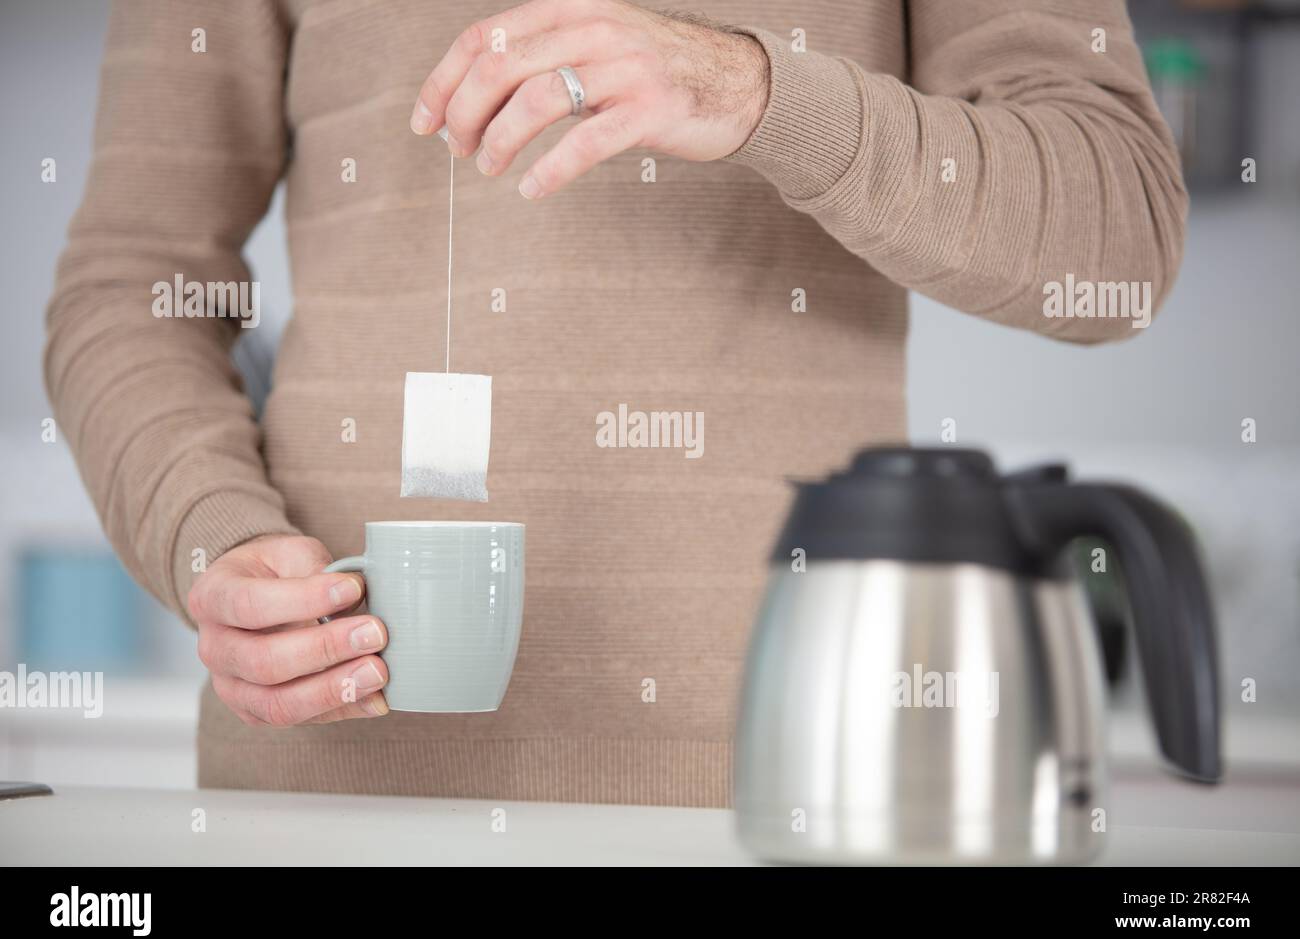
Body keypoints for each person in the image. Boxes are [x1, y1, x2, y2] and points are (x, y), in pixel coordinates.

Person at [45, 0, 1185, 805]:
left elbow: (1119, 237)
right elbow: (130, 281)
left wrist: (754, 88)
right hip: (334, 797)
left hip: (796, 793)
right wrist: (212, 534)